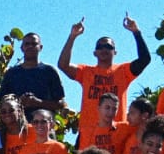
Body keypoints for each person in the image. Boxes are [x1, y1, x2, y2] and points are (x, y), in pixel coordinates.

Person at [56, 15, 152, 143]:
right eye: (100, 47)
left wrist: (136, 32)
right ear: (95, 52)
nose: (104, 49)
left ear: (115, 52)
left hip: (115, 133)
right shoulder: (86, 72)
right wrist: (72, 36)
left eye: (108, 46)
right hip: (88, 134)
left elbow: (145, 59)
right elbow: (63, 65)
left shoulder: (123, 71)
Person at [0, 31, 67, 115]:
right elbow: (2, 102)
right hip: (17, 125)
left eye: (34, 44)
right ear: (22, 48)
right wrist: (18, 102)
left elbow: (61, 103)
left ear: (40, 47)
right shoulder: (11, 74)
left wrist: (38, 102)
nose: (30, 46)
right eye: (27, 44)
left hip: (43, 125)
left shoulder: (49, 72)